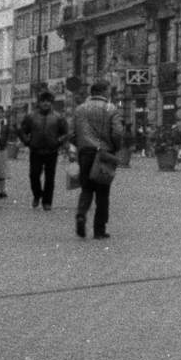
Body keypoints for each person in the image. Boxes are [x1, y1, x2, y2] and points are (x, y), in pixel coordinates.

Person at [72, 79, 125, 240]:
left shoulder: (80, 109)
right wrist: (115, 148)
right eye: (109, 90)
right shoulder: (111, 108)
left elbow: (72, 133)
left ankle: (81, 215)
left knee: (86, 188)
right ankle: (99, 230)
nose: (110, 93)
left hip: (85, 153)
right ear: (103, 91)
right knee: (103, 193)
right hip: (104, 153)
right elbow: (117, 133)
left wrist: (81, 144)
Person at [19, 91, 68, 212]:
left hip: (52, 150)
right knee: (34, 175)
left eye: (48, 101)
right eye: (43, 101)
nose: (45, 103)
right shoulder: (31, 116)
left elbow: (66, 132)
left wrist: (58, 142)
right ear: (39, 103)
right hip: (36, 150)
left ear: (51, 103)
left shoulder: (58, 117)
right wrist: (28, 142)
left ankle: (47, 202)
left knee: (50, 177)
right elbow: (22, 131)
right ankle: (37, 194)